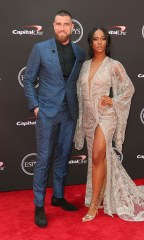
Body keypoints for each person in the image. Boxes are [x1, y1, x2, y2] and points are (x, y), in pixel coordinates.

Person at [74, 27, 144, 222]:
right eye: (95, 39)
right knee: (97, 159)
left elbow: (128, 89)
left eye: (103, 39)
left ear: (107, 42)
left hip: (106, 117)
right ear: (90, 43)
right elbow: (80, 95)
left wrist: (113, 100)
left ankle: (93, 205)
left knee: (99, 154)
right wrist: (82, 121)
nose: (99, 43)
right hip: (90, 119)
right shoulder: (84, 66)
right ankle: (100, 196)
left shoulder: (113, 65)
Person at [24, 10, 86, 227]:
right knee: (43, 159)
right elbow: (29, 79)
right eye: (58, 24)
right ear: (53, 26)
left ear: (72, 27)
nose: (62, 28)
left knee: (63, 156)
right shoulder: (40, 49)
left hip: (69, 113)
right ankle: (39, 205)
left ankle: (58, 196)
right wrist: (35, 107)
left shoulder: (79, 53)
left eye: (66, 24)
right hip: (47, 114)